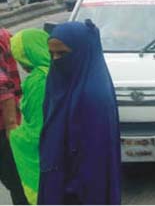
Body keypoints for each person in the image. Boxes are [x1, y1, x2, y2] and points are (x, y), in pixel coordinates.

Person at [38, 21, 121, 205]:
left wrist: (69, 191)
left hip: (76, 192)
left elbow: (93, 161)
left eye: (62, 53)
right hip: (57, 177)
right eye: (52, 54)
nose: (56, 60)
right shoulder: (59, 83)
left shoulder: (93, 95)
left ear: (83, 53)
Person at [9, 29, 50, 205]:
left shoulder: (38, 81)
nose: (21, 65)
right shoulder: (60, 70)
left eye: (21, 58)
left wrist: (15, 135)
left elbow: (37, 128)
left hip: (46, 153)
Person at [0, 29, 28, 205]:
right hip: (9, 123)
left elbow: (2, 85)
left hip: (3, 127)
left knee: (16, 184)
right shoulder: (4, 34)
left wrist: (11, 127)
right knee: (17, 183)